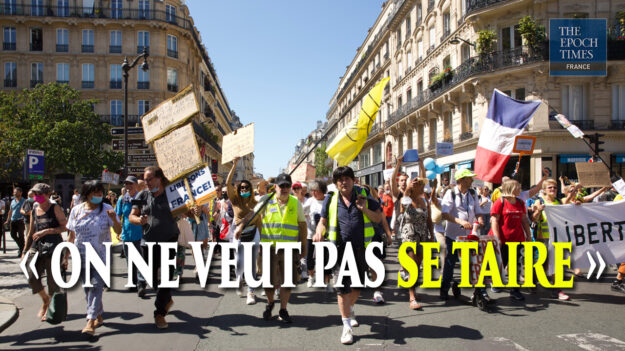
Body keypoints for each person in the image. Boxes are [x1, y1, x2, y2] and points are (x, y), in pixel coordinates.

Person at [314, 167, 383, 344]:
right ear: (336, 183)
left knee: (357, 287)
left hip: (361, 248)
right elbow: (323, 221)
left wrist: (363, 209)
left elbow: (378, 218)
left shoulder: (364, 194)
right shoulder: (331, 197)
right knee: (342, 287)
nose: (343, 182)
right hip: (339, 249)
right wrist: (318, 232)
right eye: (339, 180)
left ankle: (350, 307)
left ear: (354, 180)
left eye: (347, 178)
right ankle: (346, 326)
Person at [67, 180, 122, 335]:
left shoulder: (107, 209)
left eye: (100, 192)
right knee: (87, 287)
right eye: (95, 192)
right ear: (87, 193)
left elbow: (119, 230)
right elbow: (72, 235)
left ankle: (90, 321)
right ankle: (98, 313)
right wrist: (66, 256)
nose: (99, 195)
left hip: (101, 256)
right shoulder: (76, 210)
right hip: (81, 256)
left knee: (96, 286)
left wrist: (114, 218)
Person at [129, 166, 180, 329]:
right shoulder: (142, 195)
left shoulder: (172, 193)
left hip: (169, 239)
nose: (147, 182)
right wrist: (139, 221)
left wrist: (194, 210)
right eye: (145, 179)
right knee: (151, 278)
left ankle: (159, 313)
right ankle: (166, 299)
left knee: (166, 277)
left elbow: (187, 212)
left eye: (149, 179)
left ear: (159, 178)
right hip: (148, 242)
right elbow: (132, 216)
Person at [258, 173, 307, 324]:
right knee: (269, 282)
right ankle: (271, 302)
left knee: (288, 281)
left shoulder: (295, 202)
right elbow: (256, 220)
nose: (285, 189)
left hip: (289, 249)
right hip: (269, 248)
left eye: (288, 186)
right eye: (282, 186)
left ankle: (283, 309)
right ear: (275, 187)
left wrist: (303, 247)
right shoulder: (265, 201)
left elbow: (302, 226)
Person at [440, 169, 491, 306]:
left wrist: (480, 219)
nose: (472, 180)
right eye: (469, 178)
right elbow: (444, 214)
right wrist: (461, 222)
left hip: (470, 236)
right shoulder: (450, 193)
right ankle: (444, 289)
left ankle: (477, 291)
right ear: (461, 180)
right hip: (453, 235)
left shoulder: (473, 193)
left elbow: (478, 211)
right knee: (450, 263)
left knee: (473, 263)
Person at [22, 183, 67, 321]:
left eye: (40, 194)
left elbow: (64, 227)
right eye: (35, 194)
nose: (37, 197)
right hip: (37, 245)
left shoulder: (55, 208)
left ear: (48, 195)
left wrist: (47, 231)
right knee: (30, 274)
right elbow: (31, 231)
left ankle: (50, 308)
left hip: (53, 246)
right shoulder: (34, 207)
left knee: (52, 280)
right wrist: (25, 250)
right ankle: (45, 299)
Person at [489, 179, 532, 301]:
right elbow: (494, 221)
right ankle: (496, 282)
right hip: (503, 239)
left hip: (517, 238)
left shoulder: (520, 202)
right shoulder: (500, 202)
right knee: (501, 262)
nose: (520, 189)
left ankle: (515, 290)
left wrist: (528, 236)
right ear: (511, 188)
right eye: (518, 187)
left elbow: (524, 220)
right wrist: (497, 238)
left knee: (514, 265)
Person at [529, 178, 570, 300]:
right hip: (543, 238)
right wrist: (538, 211)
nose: (553, 189)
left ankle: (557, 290)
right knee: (541, 264)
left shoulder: (559, 202)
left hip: (557, 238)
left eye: (555, 187)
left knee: (556, 265)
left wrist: (576, 205)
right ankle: (533, 281)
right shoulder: (539, 202)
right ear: (544, 190)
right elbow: (533, 219)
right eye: (550, 187)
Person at [227, 157, 260, 305]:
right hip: (238, 235)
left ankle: (251, 292)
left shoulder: (255, 203)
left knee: (251, 263)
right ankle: (240, 279)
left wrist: (263, 238)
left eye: (247, 188)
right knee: (240, 263)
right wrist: (234, 165)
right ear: (239, 190)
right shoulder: (235, 201)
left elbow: (259, 221)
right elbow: (228, 183)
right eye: (242, 188)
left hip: (253, 234)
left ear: (251, 190)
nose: (244, 189)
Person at [397, 176, 433, 310]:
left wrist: (431, 235)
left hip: (422, 235)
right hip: (410, 235)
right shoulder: (406, 199)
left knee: (417, 266)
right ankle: (411, 297)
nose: (422, 187)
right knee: (412, 265)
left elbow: (428, 219)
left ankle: (412, 289)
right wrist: (407, 188)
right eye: (419, 185)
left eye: (423, 185)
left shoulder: (424, 200)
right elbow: (403, 205)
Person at [115, 176, 145, 295]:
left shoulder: (142, 197)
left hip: (140, 233)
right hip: (127, 234)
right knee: (130, 259)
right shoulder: (122, 199)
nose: (128, 186)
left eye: (130, 184)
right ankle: (133, 282)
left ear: (136, 185)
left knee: (140, 259)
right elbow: (117, 216)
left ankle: (141, 284)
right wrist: (118, 231)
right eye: (126, 184)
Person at [303, 180, 327, 288]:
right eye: (312, 191)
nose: (313, 193)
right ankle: (311, 276)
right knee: (309, 258)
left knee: (325, 258)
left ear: (322, 191)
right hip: (311, 233)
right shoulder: (310, 201)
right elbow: (302, 214)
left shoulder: (328, 201)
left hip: (325, 234)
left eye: (316, 191)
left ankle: (325, 280)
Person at [5, 187, 26, 257]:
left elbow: (27, 211)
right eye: (14, 192)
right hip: (13, 220)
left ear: (20, 192)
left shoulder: (24, 201)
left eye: (16, 192)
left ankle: (21, 250)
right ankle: (22, 246)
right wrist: (8, 220)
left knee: (21, 235)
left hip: (21, 220)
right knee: (12, 235)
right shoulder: (13, 201)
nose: (15, 193)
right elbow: (10, 211)